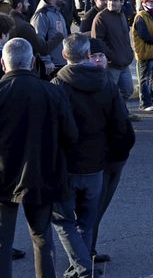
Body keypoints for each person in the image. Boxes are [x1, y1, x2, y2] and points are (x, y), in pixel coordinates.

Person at [50, 33, 127, 278]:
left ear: (64, 55)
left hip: (68, 165)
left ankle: (82, 268)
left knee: (64, 220)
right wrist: (115, 156)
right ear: (87, 54)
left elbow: (52, 130)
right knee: (86, 219)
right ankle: (81, 264)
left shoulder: (57, 86)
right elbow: (121, 125)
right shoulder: (106, 83)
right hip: (96, 164)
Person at [0, 37, 78, 278]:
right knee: (42, 238)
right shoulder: (52, 92)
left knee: (3, 242)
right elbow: (71, 135)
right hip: (43, 174)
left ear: (3, 64)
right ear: (33, 62)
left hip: (3, 177)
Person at [87, 39, 136, 264]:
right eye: (93, 56)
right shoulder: (90, 84)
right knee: (91, 209)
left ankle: (88, 249)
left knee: (97, 209)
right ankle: (83, 255)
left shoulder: (107, 82)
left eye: (101, 56)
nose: (98, 60)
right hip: (100, 160)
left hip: (113, 158)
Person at [92, 0, 134, 105]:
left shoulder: (122, 15)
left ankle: (120, 112)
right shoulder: (101, 17)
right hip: (111, 65)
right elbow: (97, 42)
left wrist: (129, 53)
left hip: (124, 63)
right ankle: (111, 114)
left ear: (122, 2)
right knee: (108, 94)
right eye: (109, 0)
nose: (111, 3)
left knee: (127, 91)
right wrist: (111, 57)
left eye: (115, 0)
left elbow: (125, 37)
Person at [31, 0, 68, 78]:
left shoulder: (57, 13)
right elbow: (39, 40)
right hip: (50, 66)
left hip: (61, 62)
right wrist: (47, 61)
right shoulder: (42, 15)